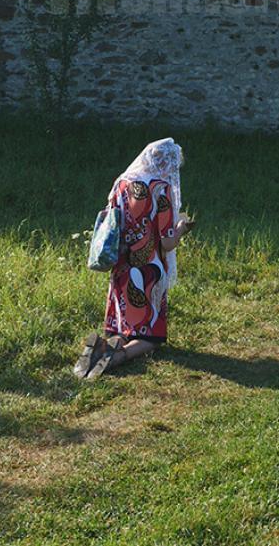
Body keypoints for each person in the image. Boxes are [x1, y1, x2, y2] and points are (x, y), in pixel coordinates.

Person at [74, 137, 194, 380]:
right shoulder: (161, 189)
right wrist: (182, 227)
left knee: (124, 327)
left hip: (121, 266)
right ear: (166, 164)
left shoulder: (122, 182)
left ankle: (105, 346)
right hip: (150, 270)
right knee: (151, 338)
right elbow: (168, 242)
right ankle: (118, 358)